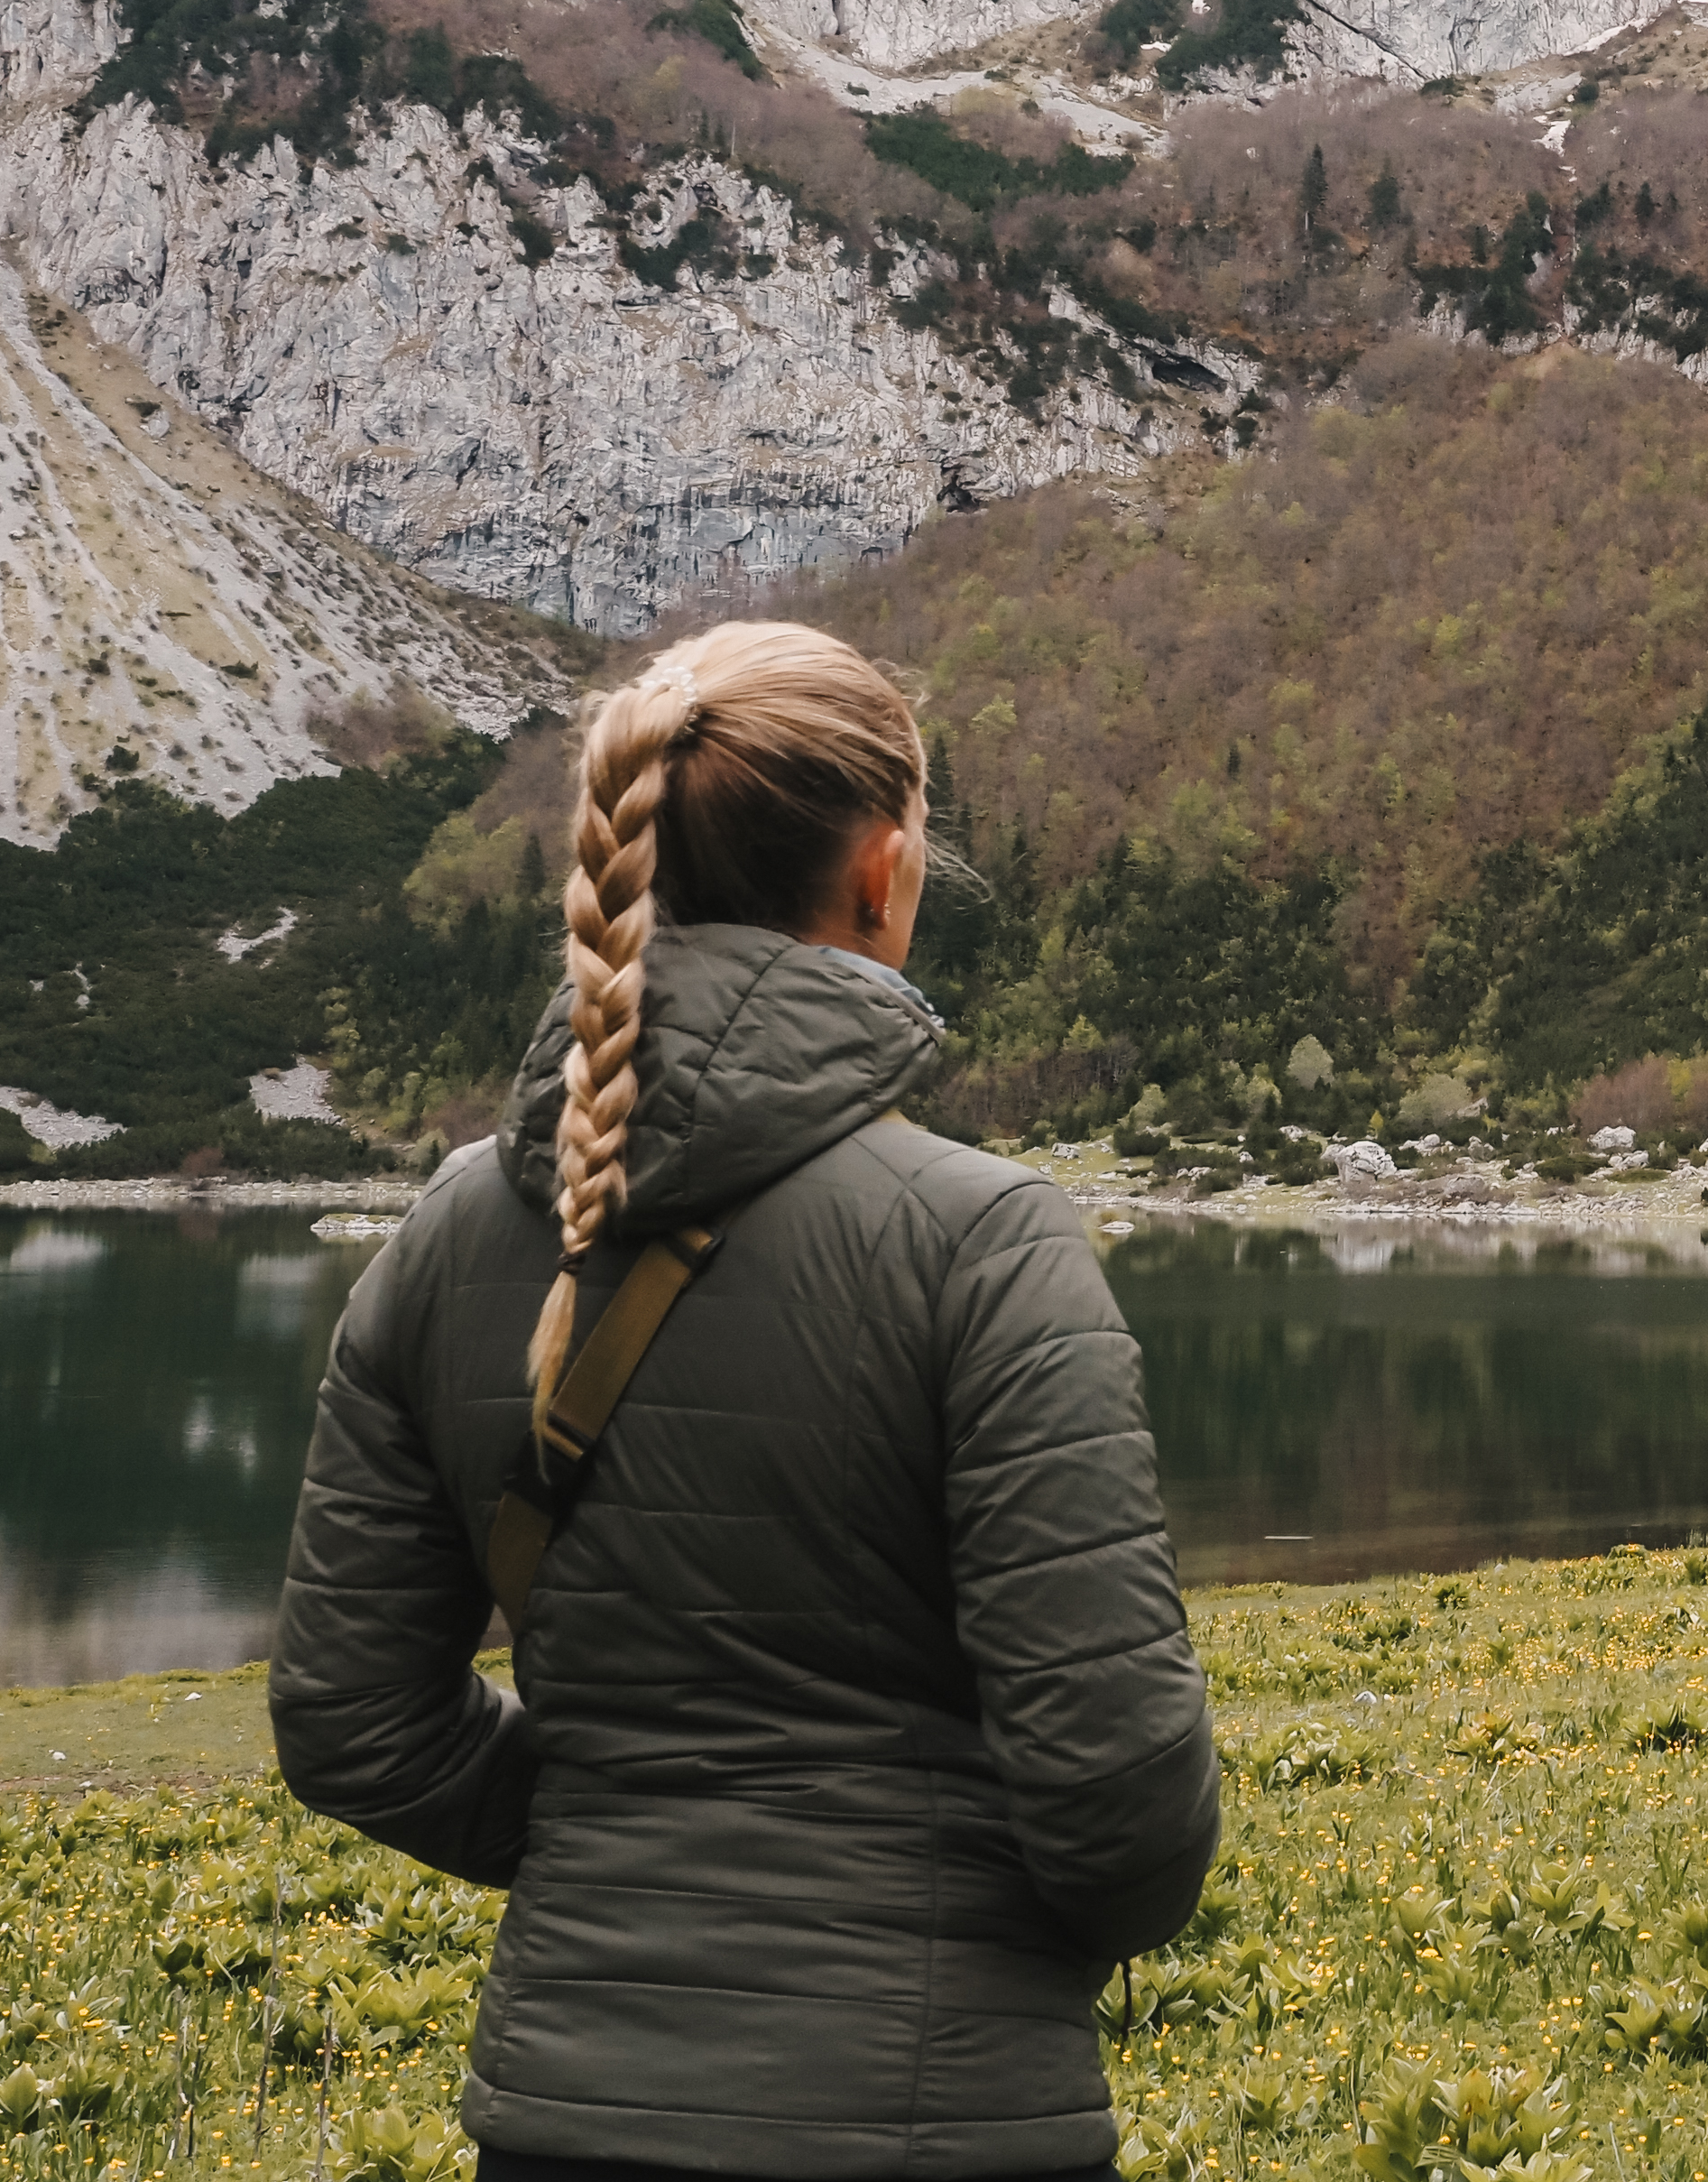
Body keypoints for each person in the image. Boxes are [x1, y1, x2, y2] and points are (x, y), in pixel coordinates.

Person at [272, 623, 1219, 2182]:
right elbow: (1116, 1796)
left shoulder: (449, 1232)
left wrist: (614, 1842)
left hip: (564, 2121)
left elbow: (351, 1721)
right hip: (935, 2117)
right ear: (886, 871)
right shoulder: (982, 1239)